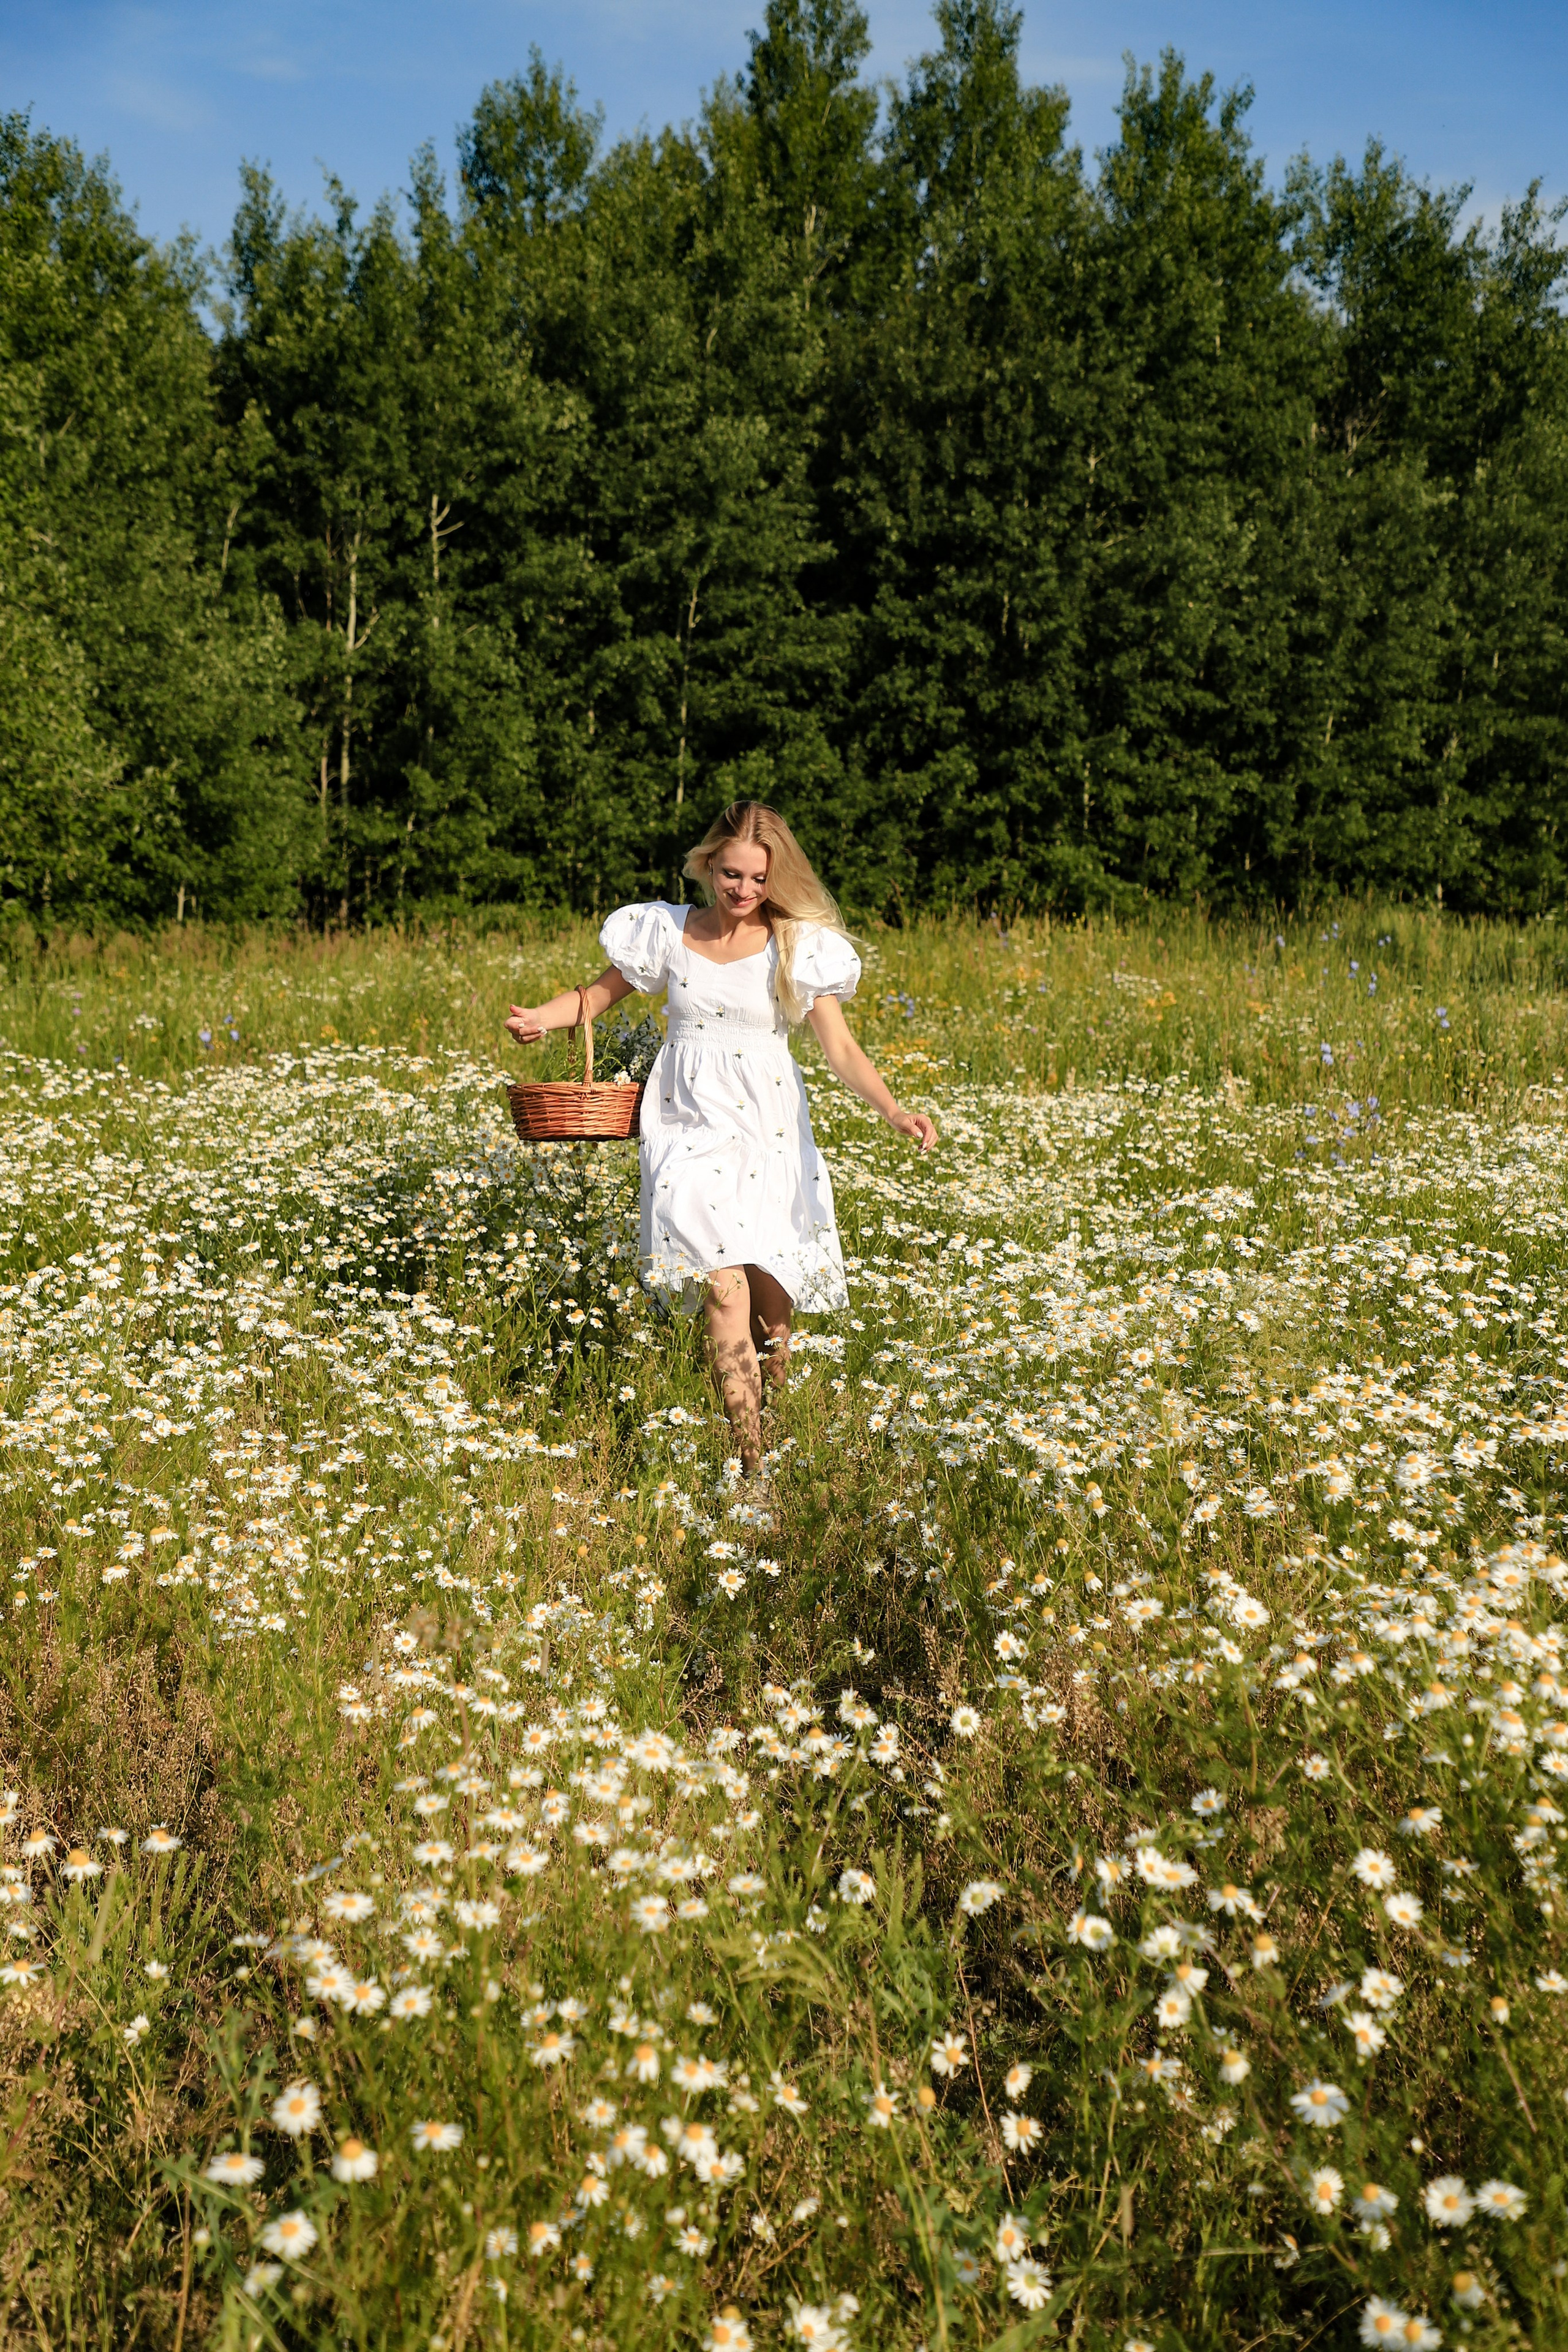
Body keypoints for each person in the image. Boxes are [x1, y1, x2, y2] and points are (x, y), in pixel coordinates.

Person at [504, 800, 937, 1474]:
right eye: (732, 874)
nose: (744, 889)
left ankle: (782, 1420)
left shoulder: (797, 946)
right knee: (721, 1285)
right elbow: (597, 997)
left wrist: (894, 1111)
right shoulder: (665, 932)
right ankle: (752, 1465)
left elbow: (842, 1050)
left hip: (768, 1128)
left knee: (772, 1308)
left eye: (760, 878)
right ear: (708, 865)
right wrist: (541, 1017)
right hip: (685, 1123)